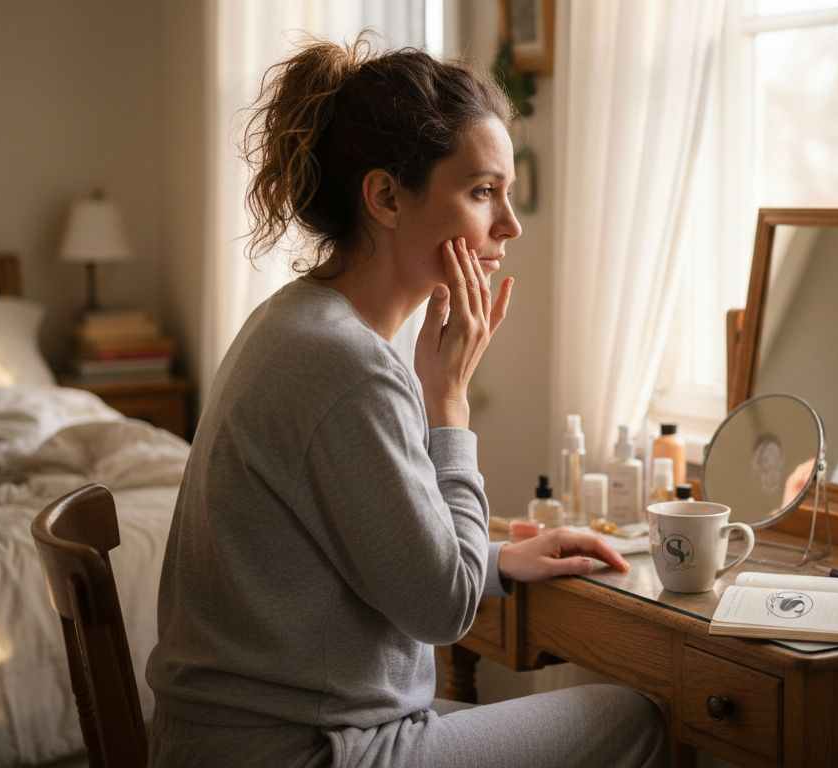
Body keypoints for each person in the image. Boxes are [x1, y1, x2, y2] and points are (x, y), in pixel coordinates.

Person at [145, 34, 667, 768]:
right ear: (387, 197)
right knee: (633, 715)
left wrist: (496, 560)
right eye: (483, 192)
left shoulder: (299, 320)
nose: (510, 226)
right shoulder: (347, 364)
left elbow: (391, 557)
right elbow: (442, 609)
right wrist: (447, 400)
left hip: (239, 740)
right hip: (307, 751)